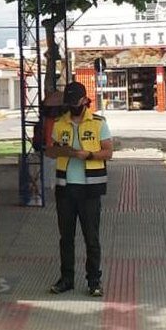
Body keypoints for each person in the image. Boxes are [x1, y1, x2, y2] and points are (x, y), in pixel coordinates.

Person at [45, 81, 113, 297]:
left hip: (90, 189)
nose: (73, 106)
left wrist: (90, 155)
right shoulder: (59, 123)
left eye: (76, 102)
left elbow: (109, 152)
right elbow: (51, 150)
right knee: (66, 237)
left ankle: (94, 281)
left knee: (91, 238)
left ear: (84, 101)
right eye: (70, 103)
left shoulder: (98, 123)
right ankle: (66, 279)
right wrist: (58, 151)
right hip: (65, 188)